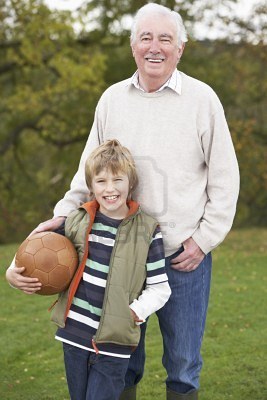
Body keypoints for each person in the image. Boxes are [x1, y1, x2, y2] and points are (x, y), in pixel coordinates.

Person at [6, 3, 240, 399]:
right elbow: (86, 176)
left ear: (180, 48)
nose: (155, 47)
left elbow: (225, 180)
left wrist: (203, 240)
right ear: (133, 46)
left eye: (165, 38)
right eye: (146, 37)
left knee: (183, 367)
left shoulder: (203, 100)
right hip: (120, 258)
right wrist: (54, 223)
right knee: (122, 364)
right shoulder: (113, 99)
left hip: (183, 258)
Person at [7, 139, 171, 400]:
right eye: (101, 181)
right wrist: (12, 271)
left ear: (131, 183)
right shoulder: (77, 220)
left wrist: (133, 313)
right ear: (91, 186)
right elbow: (38, 248)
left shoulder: (147, 231)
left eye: (118, 180)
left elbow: (160, 288)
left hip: (114, 344)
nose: (110, 189)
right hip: (74, 336)